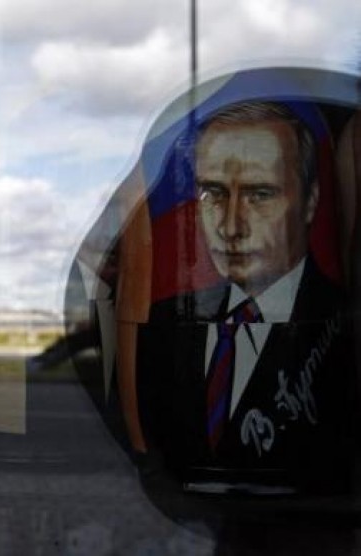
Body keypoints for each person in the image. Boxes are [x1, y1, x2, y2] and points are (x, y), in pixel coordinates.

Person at [136, 101, 353, 495]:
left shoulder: (345, 325)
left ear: (310, 201)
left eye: (259, 194)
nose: (231, 226)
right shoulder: (164, 323)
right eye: (212, 194)